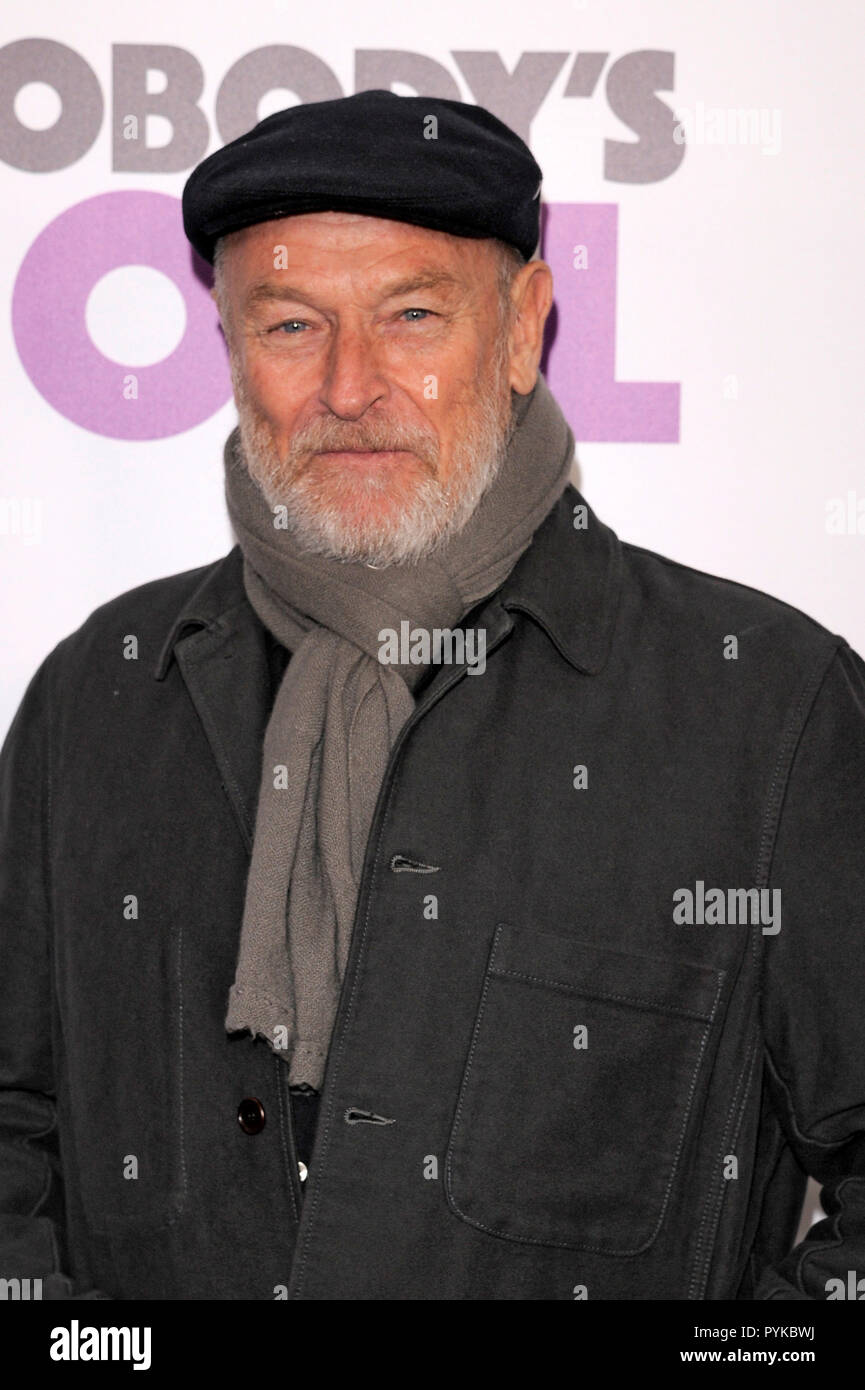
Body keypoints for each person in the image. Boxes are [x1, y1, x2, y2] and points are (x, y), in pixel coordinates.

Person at [1, 89, 863, 1302]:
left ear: (520, 331)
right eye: (293, 324)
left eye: (411, 315)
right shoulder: (101, 694)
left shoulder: (765, 710)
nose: (351, 387)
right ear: (233, 350)